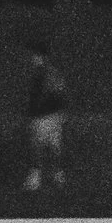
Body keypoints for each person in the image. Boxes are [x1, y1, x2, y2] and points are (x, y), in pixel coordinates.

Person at [24, 43, 69, 192]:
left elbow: (52, 95)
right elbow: (60, 94)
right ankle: (55, 177)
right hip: (49, 116)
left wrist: (33, 113)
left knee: (40, 147)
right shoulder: (48, 73)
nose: (31, 58)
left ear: (41, 56)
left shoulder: (45, 73)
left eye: (34, 56)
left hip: (45, 116)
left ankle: (39, 179)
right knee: (51, 147)